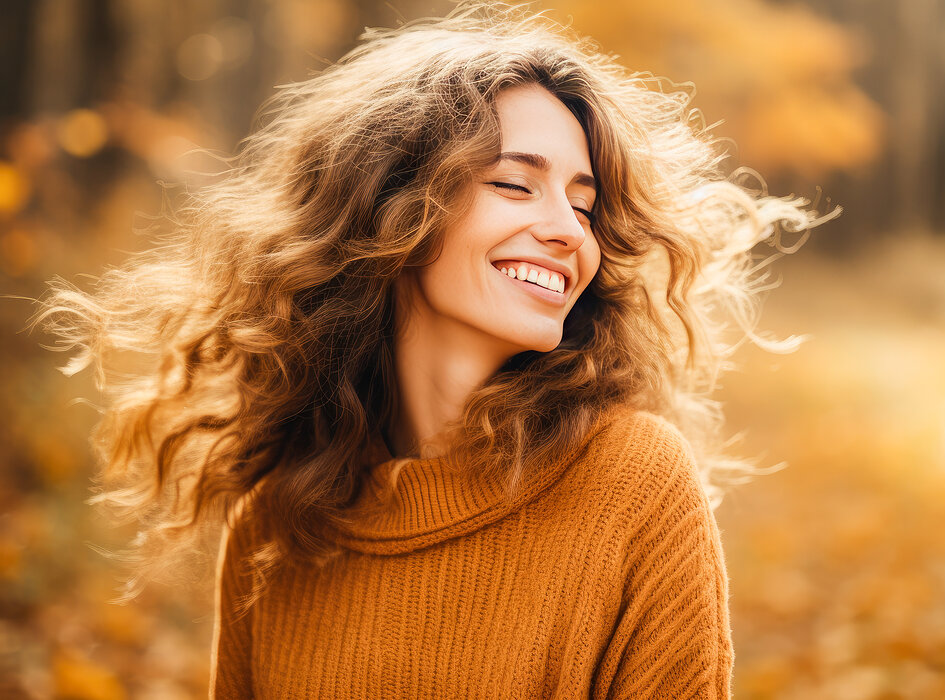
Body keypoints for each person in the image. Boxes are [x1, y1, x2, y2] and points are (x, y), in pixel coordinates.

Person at [32, 4, 829, 698]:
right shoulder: (277, 526)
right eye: (516, 185)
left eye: (585, 206)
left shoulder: (632, 481)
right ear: (388, 210)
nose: (565, 230)